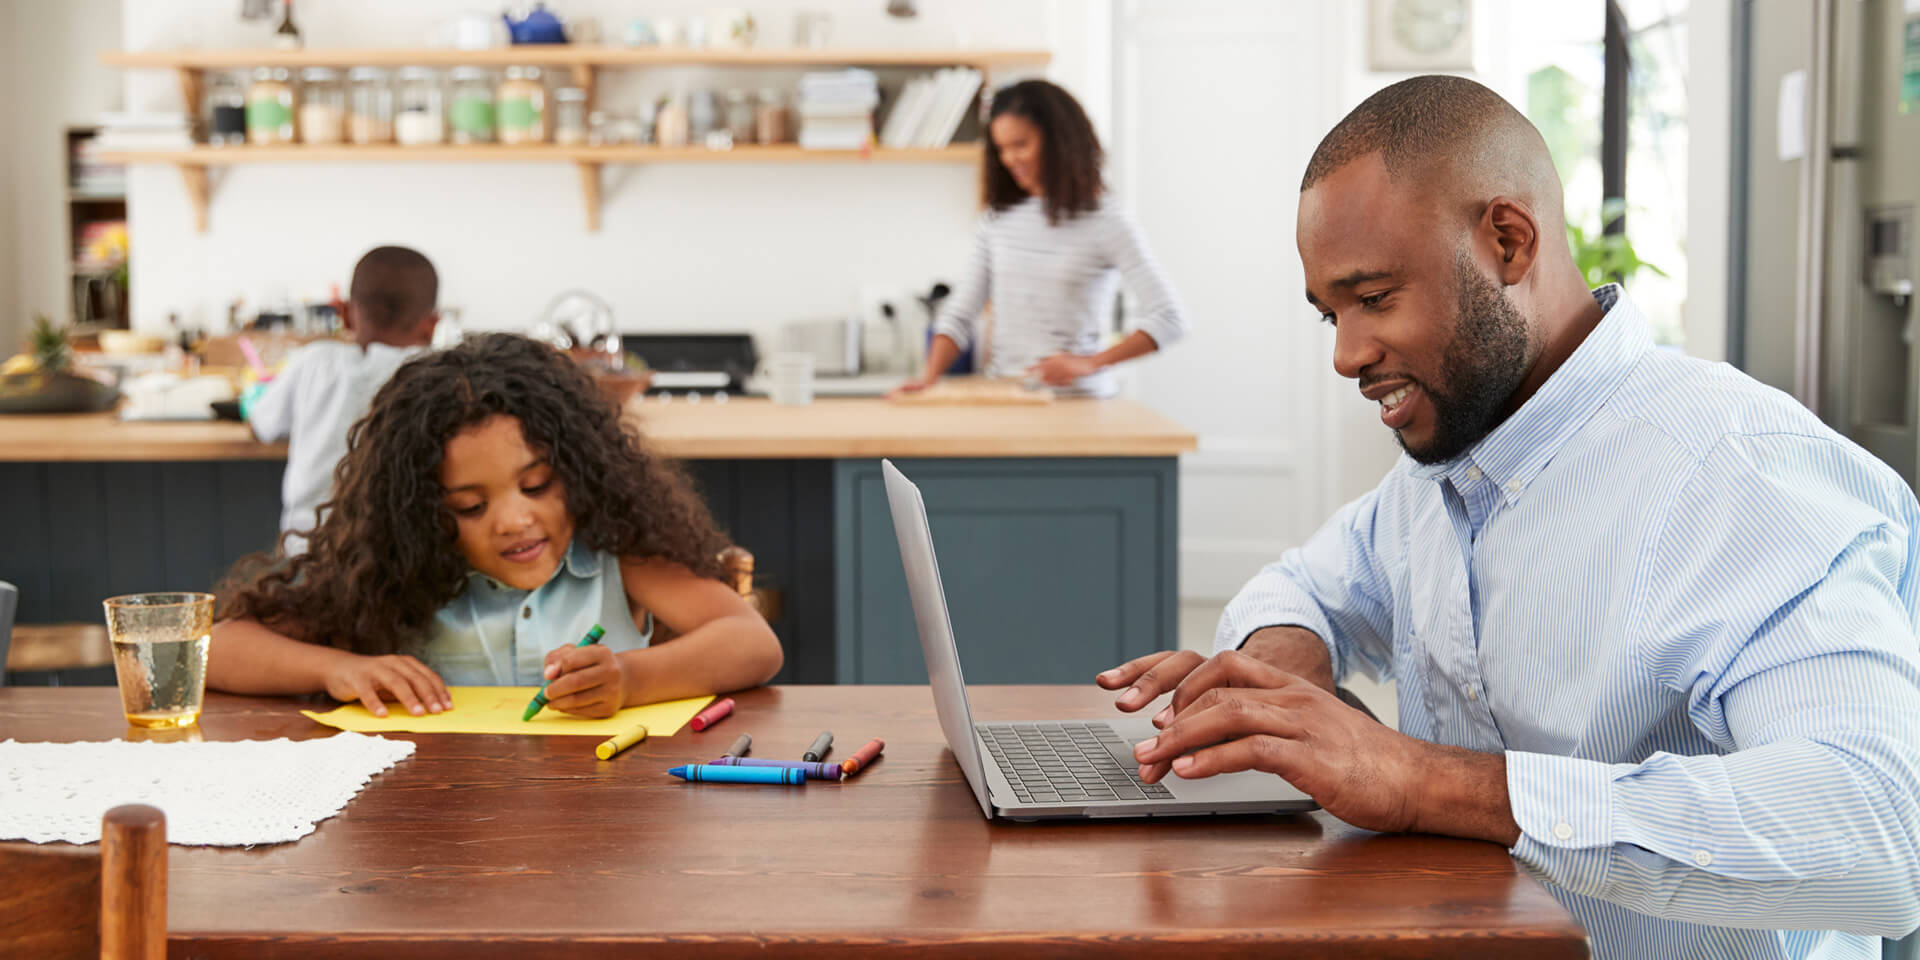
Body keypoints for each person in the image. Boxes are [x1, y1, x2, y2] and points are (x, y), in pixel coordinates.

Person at [1098, 76, 1920, 958]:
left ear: (1508, 241)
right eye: (1330, 313)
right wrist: (1283, 679)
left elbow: (1881, 830)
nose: (1345, 355)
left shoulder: (1734, 470)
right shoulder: (1455, 451)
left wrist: (1423, 782)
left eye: (1373, 298)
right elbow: (1303, 585)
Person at [211, 333, 783, 719]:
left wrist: (631, 679)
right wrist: (337, 667)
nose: (514, 521)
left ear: (580, 471)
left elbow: (752, 643)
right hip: (443, 834)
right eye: (468, 506)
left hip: (607, 833)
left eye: (536, 487)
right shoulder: (392, 572)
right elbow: (215, 648)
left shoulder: (615, 553)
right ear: (421, 512)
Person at [891, 79, 1188, 399]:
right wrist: (929, 377)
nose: (1009, 159)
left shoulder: (1106, 221)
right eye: (1001, 148)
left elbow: (1169, 318)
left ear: (1060, 141)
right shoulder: (997, 220)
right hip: (1010, 399)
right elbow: (961, 312)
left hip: (1079, 405)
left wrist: (1091, 363)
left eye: (1020, 145)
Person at [247, 246, 440, 554]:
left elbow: (261, 423)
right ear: (432, 325)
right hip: (401, 559)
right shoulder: (437, 375)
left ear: (345, 313)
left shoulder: (313, 362)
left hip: (307, 553)